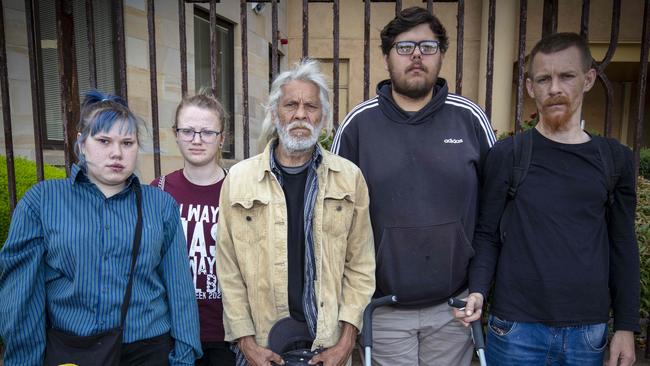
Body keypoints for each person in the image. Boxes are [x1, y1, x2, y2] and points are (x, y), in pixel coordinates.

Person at [455, 32, 639, 366]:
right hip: (514, 330)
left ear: (588, 79)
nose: (554, 88)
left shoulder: (614, 160)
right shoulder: (509, 155)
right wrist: (478, 289)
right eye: (544, 79)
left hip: (588, 332)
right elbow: (487, 234)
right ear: (529, 87)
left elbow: (623, 244)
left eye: (566, 76)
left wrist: (626, 326)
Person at [332, 7, 495, 366]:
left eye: (428, 46)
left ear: (441, 54)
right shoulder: (359, 124)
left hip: (454, 308)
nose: (417, 55)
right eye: (404, 47)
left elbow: (493, 215)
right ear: (387, 56)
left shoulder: (470, 118)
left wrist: (480, 288)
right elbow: (331, 221)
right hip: (383, 309)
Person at [0, 90, 202, 365]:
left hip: (148, 351)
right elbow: (22, 297)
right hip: (73, 350)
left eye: (127, 143)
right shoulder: (42, 202)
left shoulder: (160, 205)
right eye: (104, 140)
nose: (116, 153)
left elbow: (180, 290)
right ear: (82, 144)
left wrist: (183, 358)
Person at [216, 59, 375, 366]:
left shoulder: (349, 178)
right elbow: (229, 270)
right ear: (275, 113)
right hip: (263, 346)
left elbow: (361, 266)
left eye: (311, 106)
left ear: (324, 116)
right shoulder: (239, 180)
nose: (301, 114)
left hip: (328, 344)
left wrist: (346, 342)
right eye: (291, 104)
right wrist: (246, 342)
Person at [151, 93, 235, 365]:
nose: (197, 140)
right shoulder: (158, 191)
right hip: (172, 331)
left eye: (207, 132)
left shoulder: (240, 189)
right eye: (187, 131)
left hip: (229, 333)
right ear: (175, 134)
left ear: (222, 137)